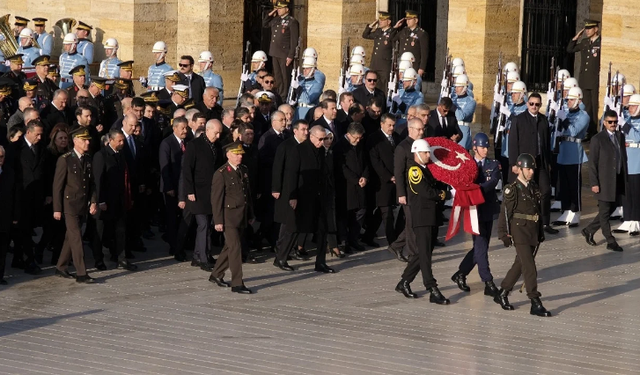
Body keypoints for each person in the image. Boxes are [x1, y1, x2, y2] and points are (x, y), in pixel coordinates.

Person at [394, 139, 450, 304]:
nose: (428, 155)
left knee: (423, 252)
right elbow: (425, 191)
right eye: (425, 152)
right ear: (417, 153)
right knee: (425, 254)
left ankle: (404, 282)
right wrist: (443, 194)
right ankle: (431, 288)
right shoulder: (414, 170)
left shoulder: (426, 169)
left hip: (431, 216)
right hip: (422, 216)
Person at [495, 153, 551, 317]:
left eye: (532, 169)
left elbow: (537, 212)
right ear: (519, 170)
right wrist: (503, 233)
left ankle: (503, 292)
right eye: (528, 169)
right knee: (529, 267)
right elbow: (505, 213)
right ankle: (535, 301)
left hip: (532, 231)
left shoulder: (533, 187)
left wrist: (540, 232)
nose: (531, 172)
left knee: (519, 265)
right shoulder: (512, 189)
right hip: (519, 231)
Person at [451, 133, 501, 297]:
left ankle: (461, 273)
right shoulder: (467, 164)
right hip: (474, 210)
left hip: (488, 209)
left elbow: (492, 182)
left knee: (482, 246)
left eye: (487, 147)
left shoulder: (493, 164)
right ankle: (488, 281)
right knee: (480, 246)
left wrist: (476, 188)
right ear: (474, 148)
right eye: (482, 147)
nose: (485, 150)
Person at [507, 92, 557, 235]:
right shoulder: (519, 119)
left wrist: (549, 162)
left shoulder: (543, 120)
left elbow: (547, 143)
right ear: (527, 103)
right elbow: (513, 143)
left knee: (545, 190)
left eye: (537, 104)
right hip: (524, 163)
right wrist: (514, 163)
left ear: (540, 105)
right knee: (525, 192)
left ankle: (545, 222)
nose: (534, 106)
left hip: (541, 162)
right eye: (531, 103)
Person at [53, 128, 98, 283]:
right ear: (75, 141)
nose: (87, 142)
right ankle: (81, 272)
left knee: (70, 238)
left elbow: (91, 184)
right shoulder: (65, 159)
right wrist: (57, 208)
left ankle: (61, 266)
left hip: (82, 204)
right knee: (77, 237)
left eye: (88, 140)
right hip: (69, 204)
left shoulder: (88, 158)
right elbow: (57, 186)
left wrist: (93, 201)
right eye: (84, 140)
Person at [209, 141, 255, 294]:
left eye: (241, 154)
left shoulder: (244, 170)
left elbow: (246, 195)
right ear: (228, 155)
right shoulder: (221, 173)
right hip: (228, 217)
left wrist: (250, 214)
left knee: (229, 247)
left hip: (241, 215)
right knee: (235, 248)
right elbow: (216, 199)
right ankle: (237, 283)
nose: (239, 157)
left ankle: (216, 274)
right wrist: (218, 221)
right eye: (236, 154)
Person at [582, 110, 627, 252]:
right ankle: (610, 240)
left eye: (615, 122)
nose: (613, 124)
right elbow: (592, 163)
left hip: (617, 179)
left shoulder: (620, 136)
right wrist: (594, 183)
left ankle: (589, 230)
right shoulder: (597, 139)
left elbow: (622, 157)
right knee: (605, 211)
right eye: (610, 122)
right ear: (605, 123)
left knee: (609, 209)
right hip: (604, 181)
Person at [93, 129, 137, 271]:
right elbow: (98, 180)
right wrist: (100, 201)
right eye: (119, 140)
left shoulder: (121, 154)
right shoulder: (101, 156)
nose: (122, 143)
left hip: (119, 200)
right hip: (105, 201)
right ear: (110, 140)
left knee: (120, 230)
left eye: (123, 140)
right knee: (100, 232)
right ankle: (98, 259)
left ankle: (121, 258)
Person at [182, 119, 223, 270]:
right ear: (208, 130)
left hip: (212, 193)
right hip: (198, 193)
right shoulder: (194, 145)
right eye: (216, 132)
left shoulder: (217, 146)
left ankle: (199, 254)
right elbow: (187, 170)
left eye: (220, 133)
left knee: (210, 225)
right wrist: (189, 191)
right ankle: (202, 259)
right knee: (203, 225)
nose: (218, 136)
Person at [272, 120, 309, 271]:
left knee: (294, 225)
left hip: (301, 191)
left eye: (307, 129)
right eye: (303, 129)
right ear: (295, 131)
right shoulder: (286, 146)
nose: (306, 132)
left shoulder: (306, 147)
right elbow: (277, 168)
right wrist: (276, 188)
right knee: (288, 225)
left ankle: (287, 252)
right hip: (287, 192)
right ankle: (281, 255)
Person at [553, 87, 589, 227]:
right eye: (568, 99)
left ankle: (576, 211)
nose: (568, 102)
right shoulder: (566, 113)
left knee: (574, 185)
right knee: (564, 185)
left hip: (574, 153)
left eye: (572, 99)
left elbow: (573, 131)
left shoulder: (583, 115)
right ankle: (566, 210)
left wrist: (564, 120)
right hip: (563, 152)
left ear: (579, 100)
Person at [13, 120, 46, 274]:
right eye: (37, 134)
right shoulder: (15, 148)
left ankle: (18, 258)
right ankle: (29, 260)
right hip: (21, 195)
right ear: (28, 132)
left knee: (27, 228)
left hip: (36, 195)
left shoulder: (40, 148)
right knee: (24, 229)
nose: (39, 137)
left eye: (41, 134)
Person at [389, 118, 424, 262]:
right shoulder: (402, 147)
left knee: (415, 221)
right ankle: (412, 253)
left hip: (420, 190)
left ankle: (396, 246)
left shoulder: (422, 144)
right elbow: (399, 172)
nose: (422, 132)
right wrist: (401, 194)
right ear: (410, 129)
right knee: (411, 223)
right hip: (408, 192)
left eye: (423, 129)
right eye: (419, 129)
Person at [365, 113, 401, 249]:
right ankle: (393, 242)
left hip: (395, 181)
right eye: (389, 125)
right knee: (387, 213)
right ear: (382, 124)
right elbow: (375, 161)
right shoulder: (374, 139)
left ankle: (368, 236)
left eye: (393, 125)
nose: (392, 128)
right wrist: (389, 177)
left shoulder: (396, 138)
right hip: (381, 182)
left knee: (382, 212)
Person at [333, 122, 369, 252]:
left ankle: (354, 238)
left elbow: (365, 162)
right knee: (344, 215)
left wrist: (365, 176)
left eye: (360, 138)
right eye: (356, 138)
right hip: (346, 186)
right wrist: (356, 179)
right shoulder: (339, 147)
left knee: (361, 211)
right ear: (348, 134)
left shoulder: (359, 145)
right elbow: (342, 167)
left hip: (360, 185)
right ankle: (344, 241)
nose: (358, 140)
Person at [159, 116, 188, 260]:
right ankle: (173, 246)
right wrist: (169, 186)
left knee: (183, 218)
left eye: (186, 127)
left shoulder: (187, 142)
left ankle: (180, 245)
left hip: (184, 186)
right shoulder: (167, 143)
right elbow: (165, 166)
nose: (185, 130)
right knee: (172, 219)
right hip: (171, 187)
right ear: (174, 128)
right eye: (182, 128)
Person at [567, 19, 601, 139]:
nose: (587, 31)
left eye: (589, 29)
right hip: (584, 79)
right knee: (586, 106)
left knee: (594, 106)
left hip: (594, 80)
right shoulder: (585, 42)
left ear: (596, 29)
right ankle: (588, 130)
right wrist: (577, 36)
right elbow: (570, 49)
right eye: (586, 29)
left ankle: (593, 131)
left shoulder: (600, 43)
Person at [263, 0, 299, 98]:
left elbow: (294, 40)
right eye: (277, 8)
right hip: (275, 52)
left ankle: (285, 96)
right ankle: (279, 94)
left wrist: (291, 55)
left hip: (284, 53)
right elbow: (265, 24)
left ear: (286, 9)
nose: (278, 10)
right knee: (278, 76)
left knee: (285, 77)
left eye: (280, 8)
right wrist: (272, 12)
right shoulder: (276, 20)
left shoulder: (292, 22)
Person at [362, 11, 397, 92]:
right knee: (373, 85)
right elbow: (365, 35)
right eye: (379, 19)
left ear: (388, 22)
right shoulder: (378, 31)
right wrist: (372, 25)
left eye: (383, 20)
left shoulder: (392, 32)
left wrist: (395, 28)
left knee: (384, 87)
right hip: (375, 64)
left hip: (384, 66)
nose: (380, 21)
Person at [393, 10, 428, 80]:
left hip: (413, 65)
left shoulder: (421, 33)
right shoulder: (404, 31)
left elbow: (424, 53)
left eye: (410, 19)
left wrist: (421, 68)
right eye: (407, 19)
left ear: (416, 20)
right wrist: (395, 28)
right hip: (402, 65)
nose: (407, 21)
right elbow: (392, 39)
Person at [0, 145, 18, 285]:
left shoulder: (9, 172)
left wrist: (14, 216)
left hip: (5, 216)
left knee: (3, 247)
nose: (0, 159)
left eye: (2, 157)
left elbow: (14, 196)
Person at [450, 74, 476, 151]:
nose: (456, 89)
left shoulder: (471, 101)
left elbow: (461, 116)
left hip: (463, 129)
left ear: (465, 87)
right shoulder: (453, 98)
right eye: (456, 86)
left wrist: (453, 105)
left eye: (459, 86)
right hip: (452, 128)